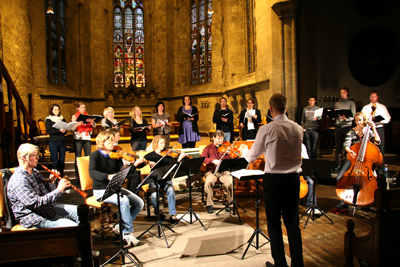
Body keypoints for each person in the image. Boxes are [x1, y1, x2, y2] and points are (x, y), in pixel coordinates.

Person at [240, 93, 304, 267]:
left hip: (274, 181)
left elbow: (252, 156)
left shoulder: (267, 129)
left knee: (274, 224)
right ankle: (298, 264)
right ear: (286, 108)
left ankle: (280, 264)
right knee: (292, 223)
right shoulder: (297, 128)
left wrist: (244, 151)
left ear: (271, 110)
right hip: (293, 180)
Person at [89, 131, 145, 246]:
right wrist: (107, 176)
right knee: (124, 201)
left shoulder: (116, 155)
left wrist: (134, 165)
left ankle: (119, 226)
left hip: (115, 188)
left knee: (139, 203)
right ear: (102, 142)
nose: (113, 143)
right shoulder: (95, 156)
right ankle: (127, 233)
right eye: (110, 141)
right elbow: (92, 173)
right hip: (101, 190)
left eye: (113, 140)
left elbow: (125, 174)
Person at [7, 143, 78, 228]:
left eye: (37, 155)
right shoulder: (19, 180)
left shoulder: (34, 172)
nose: (37, 158)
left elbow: (45, 194)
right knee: (73, 227)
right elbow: (35, 203)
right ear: (24, 158)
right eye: (34, 155)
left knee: (79, 212)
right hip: (33, 217)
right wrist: (59, 190)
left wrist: (51, 182)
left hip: (45, 209)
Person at [336, 112, 380, 209]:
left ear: (364, 120)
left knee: (371, 180)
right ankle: (344, 200)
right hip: (353, 159)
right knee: (340, 177)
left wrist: (374, 128)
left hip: (365, 162)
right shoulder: (351, 131)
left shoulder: (368, 131)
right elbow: (346, 144)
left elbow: (377, 142)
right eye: (356, 120)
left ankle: (367, 202)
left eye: (360, 120)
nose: (358, 122)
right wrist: (349, 150)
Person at [143, 135, 186, 222]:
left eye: (164, 143)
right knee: (154, 196)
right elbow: (140, 164)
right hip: (154, 180)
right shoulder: (150, 156)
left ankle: (173, 214)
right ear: (156, 144)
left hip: (166, 179)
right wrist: (147, 162)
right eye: (161, 143)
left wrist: (179, 160)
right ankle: (158, 212)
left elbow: (173, 169)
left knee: (170, 190)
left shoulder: (167, 155)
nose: (163, 145)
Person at [201, 130, 233, 214]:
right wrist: (212, 160)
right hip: (212, 172)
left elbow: (230, 160)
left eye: (222, 139)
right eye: (218, 138)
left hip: (223, 172)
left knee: (230, 182)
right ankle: (209, 205)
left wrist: (230, 155)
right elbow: (203, 158)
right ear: (213, 138)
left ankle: (230, 204)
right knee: (208, 183)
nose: (220, 141)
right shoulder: (208, 148)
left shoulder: (226, 148)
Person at [361, 91, 391, 170]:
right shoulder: (366, 107)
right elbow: (361, 117)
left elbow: (388, 118)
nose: (372, 98)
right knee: (368, 148)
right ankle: (369, 166)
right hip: (368, 128)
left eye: (374, 97)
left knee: (380, 148)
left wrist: (380, 121)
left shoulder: (382, 107)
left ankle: (381, 167)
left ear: (377, 97)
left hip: (379, 128)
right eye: (371, 97)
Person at [71, 102, 96, 185]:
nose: (83, 109)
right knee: (78, 158)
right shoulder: (74, 116)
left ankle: (88, 176)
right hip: (78, 138)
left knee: (88, 157)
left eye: (84, 107)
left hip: (87, 138)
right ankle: (78, 177)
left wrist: (92, 122)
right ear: (78, 108)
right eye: (81, 107)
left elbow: (94, 126)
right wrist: (77, 124)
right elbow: (72, 128)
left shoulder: (88, 116)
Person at [333, 87, 356, 170]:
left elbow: (353, 116)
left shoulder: (351, 103)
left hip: (347, 126)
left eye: (344, 92)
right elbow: (335, 115)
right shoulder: (337, 103)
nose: (342, 94)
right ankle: (338, 163)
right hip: (338, 125)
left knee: (346, 145)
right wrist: (332, 116)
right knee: (338, 146)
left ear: (347, 93)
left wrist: (345, 118)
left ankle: (346, 163)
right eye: (341, 93)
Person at [45, 104, 67, 177]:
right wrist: (59, 130)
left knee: (62, 161)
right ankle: (55, 177)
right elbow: (49, 131)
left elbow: (65, 130)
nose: (57, 111)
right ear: (52, 110)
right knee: (55, 161)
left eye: (58, 109)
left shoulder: (62, 119)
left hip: (62, 141)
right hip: (53, 141)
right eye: (55, 109)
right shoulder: (48, 119)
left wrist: (64, 131)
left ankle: (61, 176)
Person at [301, 143, 319, 214]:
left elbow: (306, 160)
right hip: (288, 171)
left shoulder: (301, 145)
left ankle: (311, 206)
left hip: (300, 170)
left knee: (311, 182)